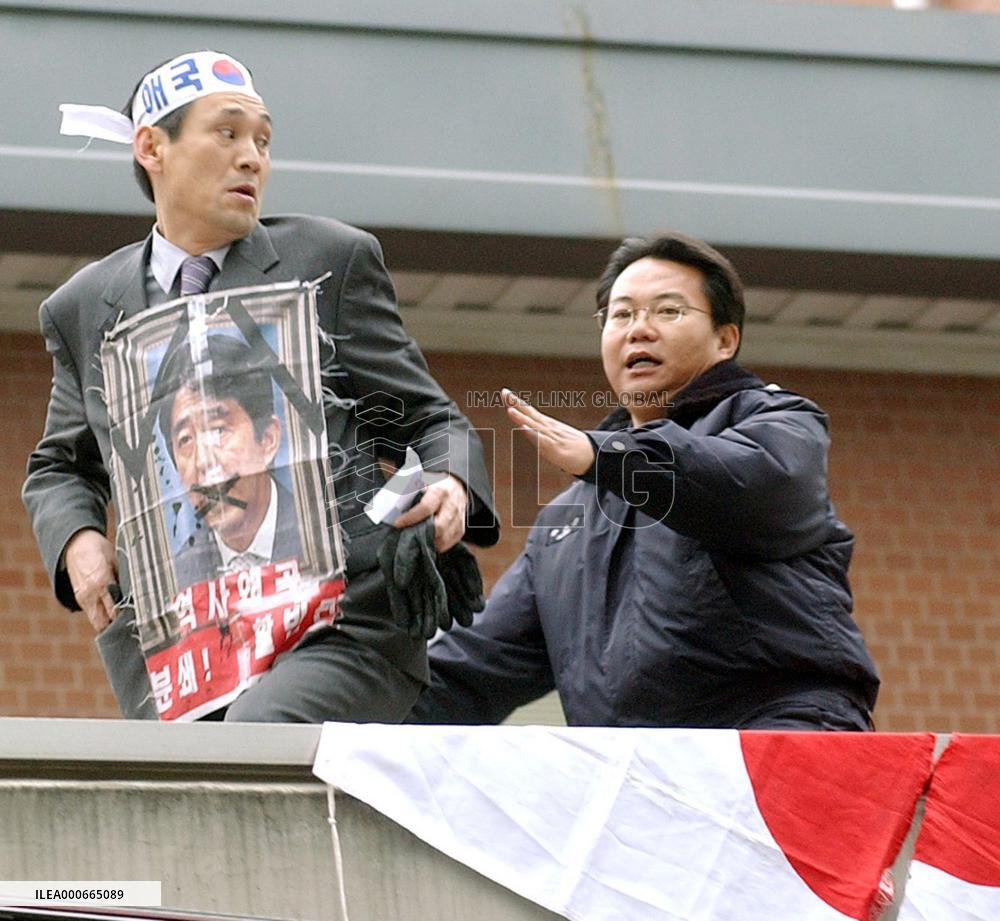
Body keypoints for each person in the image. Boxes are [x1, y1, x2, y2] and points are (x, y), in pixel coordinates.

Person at [23, 51, 498, 722]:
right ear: (151, 147)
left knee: (255, 735)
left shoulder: (330, 261)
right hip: (185, 649)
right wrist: (76, 537)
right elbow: (58, 467)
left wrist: (451, 483)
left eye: (263, 140)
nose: (253, 158)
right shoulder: (84, 308)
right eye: (228, 133)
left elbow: (431, 420)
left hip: (339, 628)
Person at [410, 232, 879, 730]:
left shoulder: (779, 421)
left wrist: (602, 456)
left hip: (778, 742)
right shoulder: (564, 525)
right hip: (640, 778)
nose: (639, 330)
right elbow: (467, 670)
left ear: (726, 338)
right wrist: (343, 679)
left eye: (668, 311)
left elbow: (750, 483)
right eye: (622, 314)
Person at [156, 333, 302, 588]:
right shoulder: (176, 581)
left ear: (267, 439)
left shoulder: (323, 536)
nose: (203, 461)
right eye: (185, 440)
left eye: (218, 430)